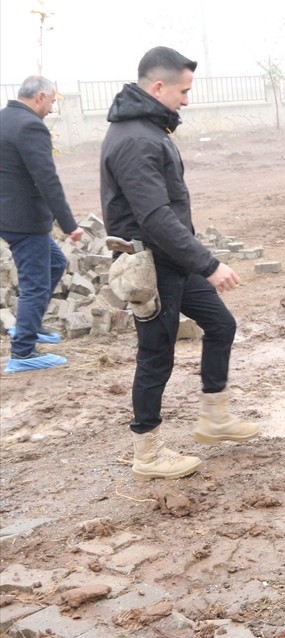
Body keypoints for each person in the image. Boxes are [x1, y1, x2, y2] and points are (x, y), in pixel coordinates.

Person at [101, 46, 260, 481]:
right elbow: (154, 216)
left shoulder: (149, 131)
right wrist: (208, 264)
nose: (186, 100)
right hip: (150, 266)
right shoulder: (136, 139)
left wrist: (193, 261)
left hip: (173, 261)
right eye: (183, 91)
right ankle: (147, 453)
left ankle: (214, 419)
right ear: (157, 86)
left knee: (221, 324)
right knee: (156, 356)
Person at [0, 75, 82, 374]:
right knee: (36, 284)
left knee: (55, 263)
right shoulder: (30, 126)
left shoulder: (4, 119)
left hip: (8, 215)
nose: (52, 107)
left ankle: (28, 327)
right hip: (25, 220)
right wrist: (69, 223)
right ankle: (22, 352)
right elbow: (46, 178)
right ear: (40, 97)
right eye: (51, 101)